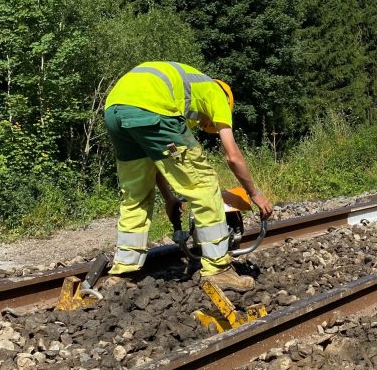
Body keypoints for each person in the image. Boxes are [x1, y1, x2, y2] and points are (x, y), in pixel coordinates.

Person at [103, 62, 274, 291]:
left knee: (135, 195)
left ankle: (122, 273)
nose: (204, 125)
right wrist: (255, 194)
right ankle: (218, 269)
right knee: (203, 184)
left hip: (114, 110)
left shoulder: (185, 88)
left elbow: (157, 160)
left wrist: (169, 198)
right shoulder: (216, 93)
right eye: (208, 123)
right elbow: (233, 156)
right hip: (152, 109)